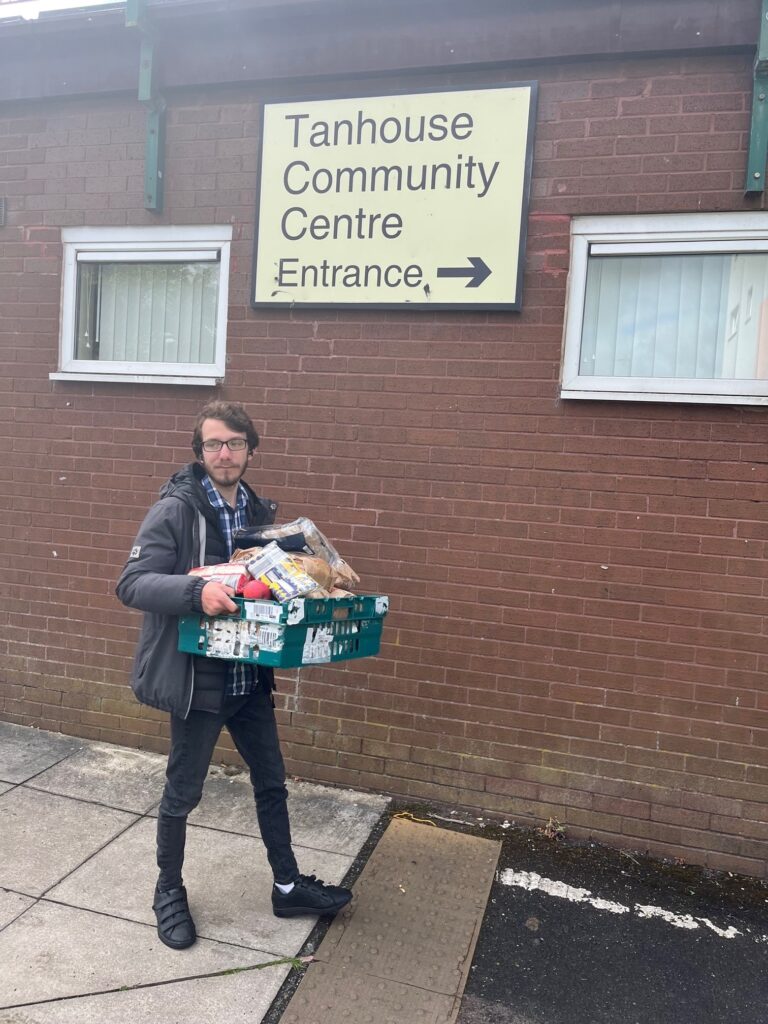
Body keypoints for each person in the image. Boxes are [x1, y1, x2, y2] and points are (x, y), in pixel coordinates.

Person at [116, 400, 351, 950]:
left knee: (272, 783)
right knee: (182, 793)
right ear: (199, 452)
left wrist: (317, 586)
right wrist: (196, 591)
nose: (225, 453)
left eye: (235, 444)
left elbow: (273, 582)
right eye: (214, 444)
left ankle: (288, 886)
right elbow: (131, 583)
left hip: (250, 676)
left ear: (250, 449)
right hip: (199, 681)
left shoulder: (259, 514)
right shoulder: (175, 509)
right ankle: (167, 890)